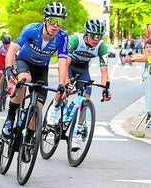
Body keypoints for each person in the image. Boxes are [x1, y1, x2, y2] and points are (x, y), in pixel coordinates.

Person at [0, 1, 69, 145]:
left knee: (38, 108)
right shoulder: (31, 30)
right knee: (24, 79)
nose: (56, 25)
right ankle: (10, 118)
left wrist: (62, 84)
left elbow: (62, 61)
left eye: (60, 21)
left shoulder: (62, 37)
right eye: (52, 20)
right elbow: (12, 49)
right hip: (24, 62)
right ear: (45, 20)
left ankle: (29, 139)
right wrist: (7, 69)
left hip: (42, 69)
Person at [47, 18, 111, 149]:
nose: (96, 39)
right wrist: (65, 83)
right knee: (66, 90)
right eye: (93, 35)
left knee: (86, 97)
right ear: (86, 34)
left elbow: (104, 72)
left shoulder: (102, 47)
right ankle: (54, 109)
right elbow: (65, 63)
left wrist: (105, 89)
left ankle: (77, 133)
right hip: (69, 65)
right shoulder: (75, 40)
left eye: (99, 36)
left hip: (83, 69)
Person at [0, 34, 12, 102]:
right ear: (2, 42)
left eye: (8, 43)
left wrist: (12, 66)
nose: (6, 45)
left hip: (9, 57)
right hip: (1, 56)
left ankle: (10, 87)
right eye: (5, 43)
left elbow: (13, 57)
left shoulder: (12, 45)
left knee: (10, 72)